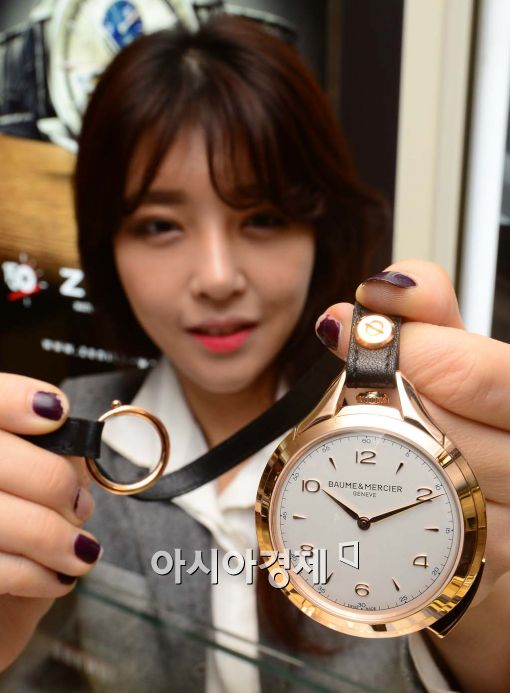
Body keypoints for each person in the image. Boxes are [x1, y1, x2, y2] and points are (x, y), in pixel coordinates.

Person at [0, 15, 509, 693]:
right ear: (107, 247)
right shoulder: (68, 450)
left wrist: (484, 625)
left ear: (320, 229)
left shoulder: (410, 452)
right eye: (160, 224)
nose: (217, 277)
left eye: (263, 217)